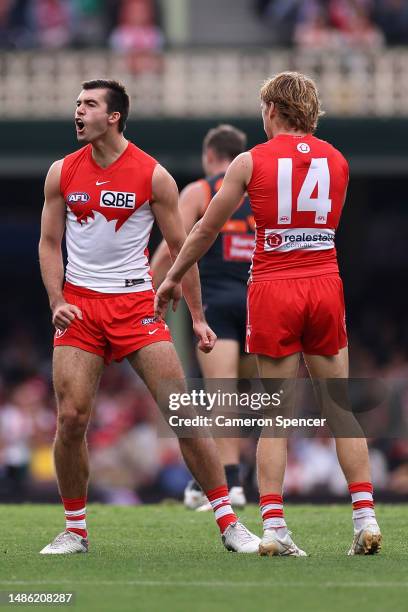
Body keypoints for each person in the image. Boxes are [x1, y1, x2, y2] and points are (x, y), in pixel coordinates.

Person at [155, 71, 382, 557]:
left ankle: (275, 527)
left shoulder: (250, 160)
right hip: (324, 282)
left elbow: (205, 229)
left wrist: (173, 276)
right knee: (338, 408)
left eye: (264, 109)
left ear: (274, 109)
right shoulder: (338, 161)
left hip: (274, 287)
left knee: (275, 414)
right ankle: (365, 518)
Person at [38, 79, 260, 555]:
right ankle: (75, 530)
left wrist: (198, 318)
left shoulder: (153, 176)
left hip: (136, 306)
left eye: (89, 105)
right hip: (80, 306)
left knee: (182, 412)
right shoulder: (61, 172)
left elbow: (185, 250)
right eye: (77, 103)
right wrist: (56, 299)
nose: (78, 111)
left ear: (114, 116)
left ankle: (228, 521)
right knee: (72, 418)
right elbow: (49, 243)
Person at [151, 124, 256, 511]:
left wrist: (150, 285)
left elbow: (173, 245)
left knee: (221, 396)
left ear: (210, 156)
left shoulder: (201, 191)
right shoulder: (257, 192)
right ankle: (223, 482)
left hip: (216, 304)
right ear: (240, 156)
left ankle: (228, 483)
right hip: (258, 304)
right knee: (251, 396)